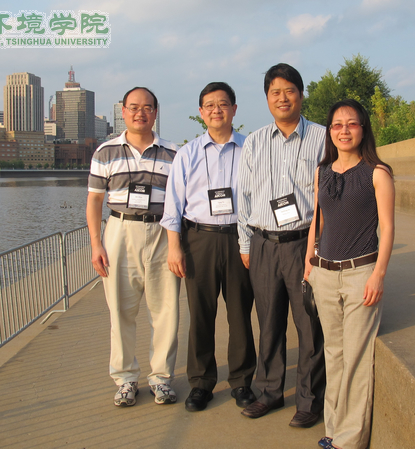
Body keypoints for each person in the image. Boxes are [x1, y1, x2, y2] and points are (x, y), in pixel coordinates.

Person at [237, 63, 326, 428]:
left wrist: (319, 248)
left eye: (290, 90)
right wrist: (245, 244)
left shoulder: (322, 137)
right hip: (263, 244)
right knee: (269, 324)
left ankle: (309, 400)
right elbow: (244, 196)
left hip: (305, 244)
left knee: (309, 326)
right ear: (267, 98)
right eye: (275, 92)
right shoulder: (255, 141)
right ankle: (269, 392)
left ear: (301, 95)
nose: (283, 98)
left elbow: (329, 197)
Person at [304, 99, 395, 449]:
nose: (344, 130)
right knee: (334, 354)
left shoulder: (377, 173)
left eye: (352, 124)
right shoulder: (322, 172)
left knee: (356, 357)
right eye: (338, 125)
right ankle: (333, 428)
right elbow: (318, 221)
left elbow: (387, 228)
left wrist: (379, 275)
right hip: (325, 273)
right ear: (330, 131)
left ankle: (348, 440)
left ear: (363, 128)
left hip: (361, 274)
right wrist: (309, 262)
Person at [161, 82, 257, 412]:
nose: (217, 110)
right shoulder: (187, 153)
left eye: (223, 104)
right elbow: (173, 204)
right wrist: (174, 247)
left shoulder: (250, 149)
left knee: (240, 312)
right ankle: (201, 382)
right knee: (201, 313)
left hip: (240, 239)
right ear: (201, 112)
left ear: (234, 109)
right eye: (210, 105)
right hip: (198, 239)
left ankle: (242, 380)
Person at [86, 87, 181, 407]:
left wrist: (177, 245)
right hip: (120, 231)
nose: (140, 113)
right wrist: (96, 244)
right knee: (120, 310)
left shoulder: (173, 152)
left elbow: (180, 202)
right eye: (134, 107)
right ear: (123, 111)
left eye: (147, 107)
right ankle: (125, 378)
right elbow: (94, 201)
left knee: (166, 310)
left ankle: (161, 378)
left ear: (155, 112)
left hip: (162, 232)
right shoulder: (105, 152)